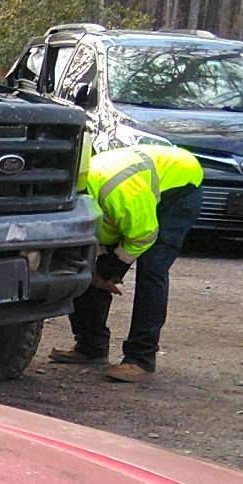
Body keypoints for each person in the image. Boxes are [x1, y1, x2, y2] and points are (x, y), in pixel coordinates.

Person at [50, 142, 205, 381]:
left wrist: (114, 267)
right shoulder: (74, 198)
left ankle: (140, 358)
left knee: (152, 269)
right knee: (85, 265)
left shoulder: (119, 195)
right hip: (130, 190)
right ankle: (91, 347)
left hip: (179, 185)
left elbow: (143, 235)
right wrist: (97, 270)